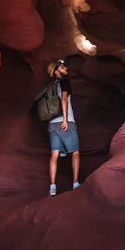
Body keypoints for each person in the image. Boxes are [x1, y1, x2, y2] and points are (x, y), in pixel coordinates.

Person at [46, 59, 80, 196]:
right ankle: (76, 184)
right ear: (57, 71)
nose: (65, 68)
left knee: (54, 154)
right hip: (65, 122)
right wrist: (65, 120)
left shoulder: (51, 86)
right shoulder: (65, 82)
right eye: (62, 66)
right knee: (75, 153)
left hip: (51, 123)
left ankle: (52, 188)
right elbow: (64, 99)